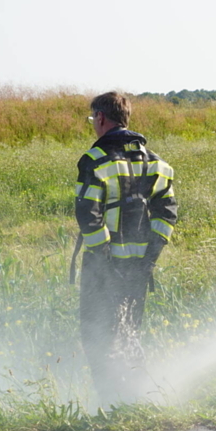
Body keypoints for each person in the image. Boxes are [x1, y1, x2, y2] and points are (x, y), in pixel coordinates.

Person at [73, 91, 178, 405]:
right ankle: (137, 398)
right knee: (128, 332)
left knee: (97, 335)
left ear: (102, 118)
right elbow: (167, 215)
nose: (93, 124)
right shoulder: (157, 163)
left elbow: (88, 215)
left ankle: (112, 403)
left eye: (93, 119)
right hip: (138, 269)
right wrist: (148, 260)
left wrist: (104, 258)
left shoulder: (95, 159)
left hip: (104, 268)